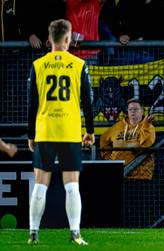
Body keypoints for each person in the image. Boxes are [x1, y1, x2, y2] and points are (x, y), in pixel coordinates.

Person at [27, 19, 95, 245]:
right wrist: (90, 131)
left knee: (40, 183)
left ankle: (33, 233)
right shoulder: (78, 65)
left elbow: (32, 104)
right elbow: (87, 101)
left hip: (45, 131)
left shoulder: (38, 65)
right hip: (69, 130)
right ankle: (75, 233)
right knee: (72, 184)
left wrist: (30, 135)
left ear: (49, 39)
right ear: (67, 39)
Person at [100, 98, 156, 180]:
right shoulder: (118, 126)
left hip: (140, 176)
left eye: (136, 109)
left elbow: (145, 144)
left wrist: (146, 125)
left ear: (142, 111)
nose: (133, 111)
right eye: (130, 109)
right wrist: (108, 157)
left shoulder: (148, 127)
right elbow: (103, 139)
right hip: (118, 174)